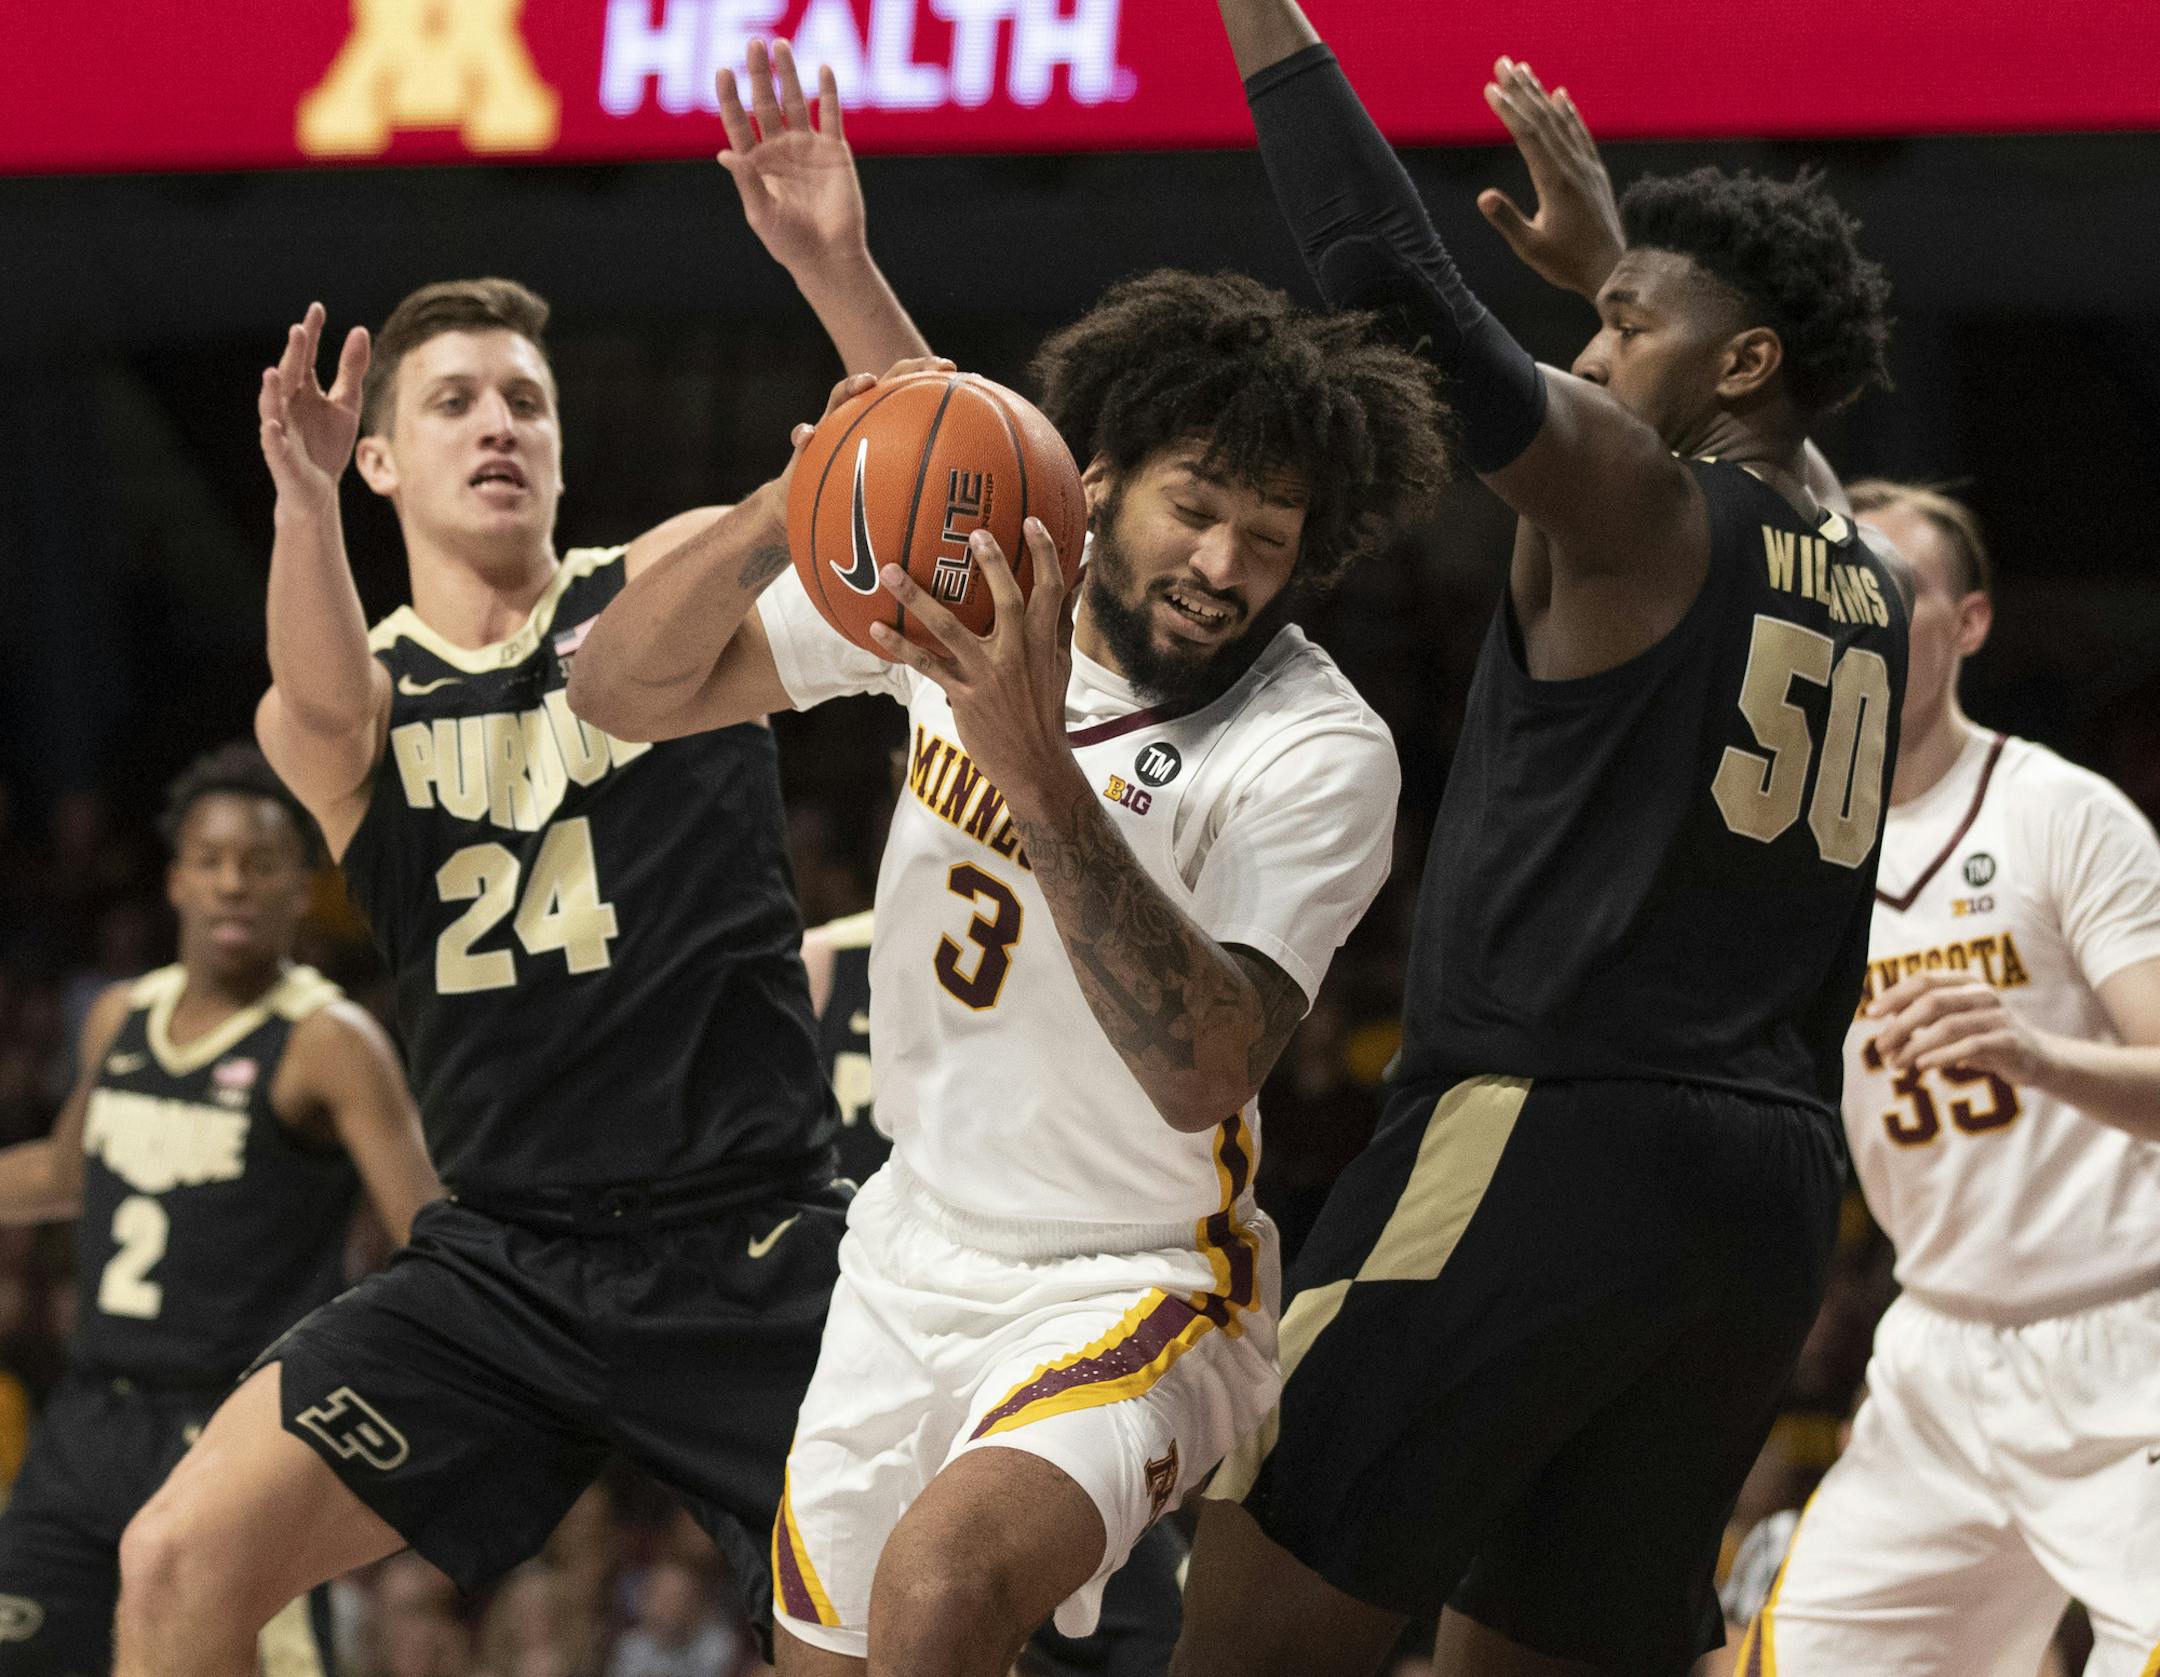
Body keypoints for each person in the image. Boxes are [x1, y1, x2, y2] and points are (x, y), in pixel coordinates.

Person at [110, 42, 935, 1677]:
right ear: (378, 460)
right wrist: (296, 506)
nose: (499, 423)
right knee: (173, 1564)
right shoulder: (351, 695)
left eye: (526, 402)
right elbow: (316, 706)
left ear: (560, 447)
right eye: (454, 402)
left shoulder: (668, 584)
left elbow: (941, 498)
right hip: (504, 1263)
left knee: (893, 1645)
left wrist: (838, 270)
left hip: (750, 1244)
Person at [568, 262, 1449, 1674]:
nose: (1223, 566)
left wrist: (1032, 758)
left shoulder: (1316, 749)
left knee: (941, 1592)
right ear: (1097, 484)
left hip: (1146, 1277)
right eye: (1196, 508)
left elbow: (1207, 1070)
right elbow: (619, 689)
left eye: (1269, 539)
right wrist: (784, 509)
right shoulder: (969, 591)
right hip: (908, 1247)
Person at [1171, 7, 1908, 1675]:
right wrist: (1623, 273)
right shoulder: (1866, 567)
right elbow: (1782, 433)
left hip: (1546, 1130)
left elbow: (1389, 275)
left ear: (1738, 368)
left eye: (1625, 326)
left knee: (1251, 1614)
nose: (1589, 351)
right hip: (1769, 1198)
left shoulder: (1643, 504)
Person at [1734, 483, 2160, 1677]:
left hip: (2126, 1340)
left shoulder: (2062, 814)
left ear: (1968, 625)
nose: (1862, 614)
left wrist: (2033, 1052)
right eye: (1844, 590)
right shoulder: (1792, 845)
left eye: (1896, 590)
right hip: (1938, 1353)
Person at [0, 743, 439, 1677]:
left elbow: (429, 1233)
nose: (233, 882)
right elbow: (67, 1171)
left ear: (302, 886)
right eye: (211, 860)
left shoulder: (328, 1039)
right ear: (176, 879)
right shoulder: (120, 1013)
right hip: (90, 1416)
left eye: (260, 862)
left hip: (236, 1430)